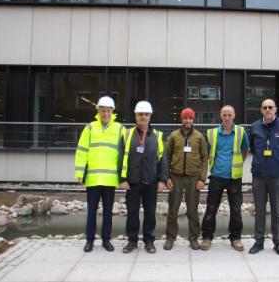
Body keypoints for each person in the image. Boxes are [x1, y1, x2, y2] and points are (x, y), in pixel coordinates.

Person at [75, 96, 126, 253]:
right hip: (93, 179)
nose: (105, 114)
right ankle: (89, 240)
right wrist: (79, 172)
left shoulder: (120, 129)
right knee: (91, 212)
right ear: (98, 111)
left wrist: (123, 176)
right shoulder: (90, 128)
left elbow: (125, 154)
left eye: (108, 111)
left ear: (112, 112)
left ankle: (106, 240)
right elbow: (82, 151)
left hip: (110, 180)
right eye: (103, 110)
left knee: (108, 213)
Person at [119, 101, 168, 254]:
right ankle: (132, 241)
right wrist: (122, 179)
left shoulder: (157, 136)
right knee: (132, 213)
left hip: (151, 182)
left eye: (146, 114)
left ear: (150, 116)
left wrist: (162, 180)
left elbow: (163, 160)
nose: (143, 117)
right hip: (132, 182)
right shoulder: (127, 134)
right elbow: (120, 157)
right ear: (136, 116)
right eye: (140, 114)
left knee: (150, 213)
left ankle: (149, 241)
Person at [248, 99, 279, 255]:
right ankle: (259, 242)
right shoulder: (255, 126)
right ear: (261, 110)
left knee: (276, 210)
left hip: (277, 174)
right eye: (264, 107)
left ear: (276, 109)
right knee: (259, 209)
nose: (267, 109)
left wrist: (277, 160)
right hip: (259, 175)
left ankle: (278, 243)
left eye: (270, 107)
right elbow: (253, 148)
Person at [200, 105, 249, 252]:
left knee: (236, 209)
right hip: (216, 176)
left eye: (229, 115)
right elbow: (206, 152)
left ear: (233, 116)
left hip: (234, 177)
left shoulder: (241, 132)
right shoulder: (213, 133)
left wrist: (237, 164)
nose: (227, 118)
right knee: (211, 208)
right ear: (220, 116)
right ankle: (207, 237)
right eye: (224, 115)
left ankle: (235, 238)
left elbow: (244, 151)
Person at [163, 108, 209, 251]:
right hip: (175, 176)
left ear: (193, 120)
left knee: (192, 210)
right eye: (185, 118)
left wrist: (202, 178)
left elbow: (204, 158)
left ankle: (193, 237)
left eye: (190, 118)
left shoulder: (199, 137)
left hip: (193, 178)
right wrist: (167, 177)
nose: (188, 120)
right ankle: (170, 237)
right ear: (181, 120)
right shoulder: (174, 136)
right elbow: (166, 157)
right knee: (173, 209)